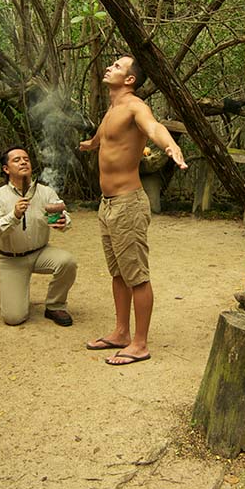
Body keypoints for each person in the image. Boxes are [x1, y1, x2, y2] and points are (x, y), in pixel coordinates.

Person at [80, 54, 188, 365]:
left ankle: (139, 344)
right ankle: (120, 333)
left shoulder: (135, 106)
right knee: (118, 273)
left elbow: (153, 127)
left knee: (136, 276)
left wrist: (170, 146)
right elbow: (105, 135)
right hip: (108, 204)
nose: (110, 66)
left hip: (128, 204)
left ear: (129, 79)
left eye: (117, 66)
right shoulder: (113, 108)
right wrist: (91, 143)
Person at [0, 145, 77, 327]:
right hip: (12, 260)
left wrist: (64, 221)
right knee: (14, 318)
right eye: (17, 160)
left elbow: (63, 215)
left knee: (68, 262)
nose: (23, 162)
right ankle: (18, 296)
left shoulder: (45, 192)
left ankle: (54, 305)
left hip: (41, 253)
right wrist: (14, 215)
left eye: (26, 159)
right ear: (6, 169)